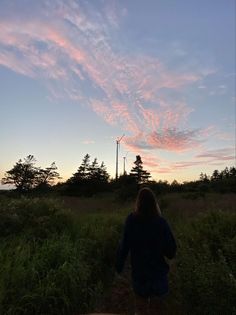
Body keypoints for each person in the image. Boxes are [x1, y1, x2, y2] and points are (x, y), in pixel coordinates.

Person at [115, 187, 177, 315]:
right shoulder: (161, 223)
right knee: (157, 311)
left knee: (140, 310)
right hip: (158, 276)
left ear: (138, 202)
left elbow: (124, 246)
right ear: (154, 203)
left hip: (140, 275)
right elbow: (171, 252)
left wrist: (119, 267)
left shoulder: (131, 220)